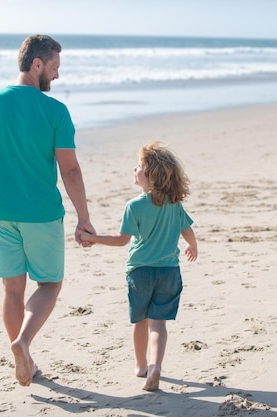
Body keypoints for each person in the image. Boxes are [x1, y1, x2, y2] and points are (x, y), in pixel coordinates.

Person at [0, 34, 95, 387]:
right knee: (49, 284)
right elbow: (71, 169)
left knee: (12, 290)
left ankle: (26, 361)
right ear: (37, 65)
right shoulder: (55, 111)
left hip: (1, 210)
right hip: (42, 213)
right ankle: (24, 342)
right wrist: (84, 217)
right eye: (55, 67)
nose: (57, 76)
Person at [80, 141, 198, 391]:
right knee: (159, 323)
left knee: (140, 322)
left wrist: (92, 238)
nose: (135, 168)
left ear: (151, 175)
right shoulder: (174, 204)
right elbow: (187, 230)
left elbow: (121, 240)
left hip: (140, 272)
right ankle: (156, 365)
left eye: (140, 166)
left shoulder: (134, 206)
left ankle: (140, 366)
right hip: (169, 272)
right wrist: (192, 247)